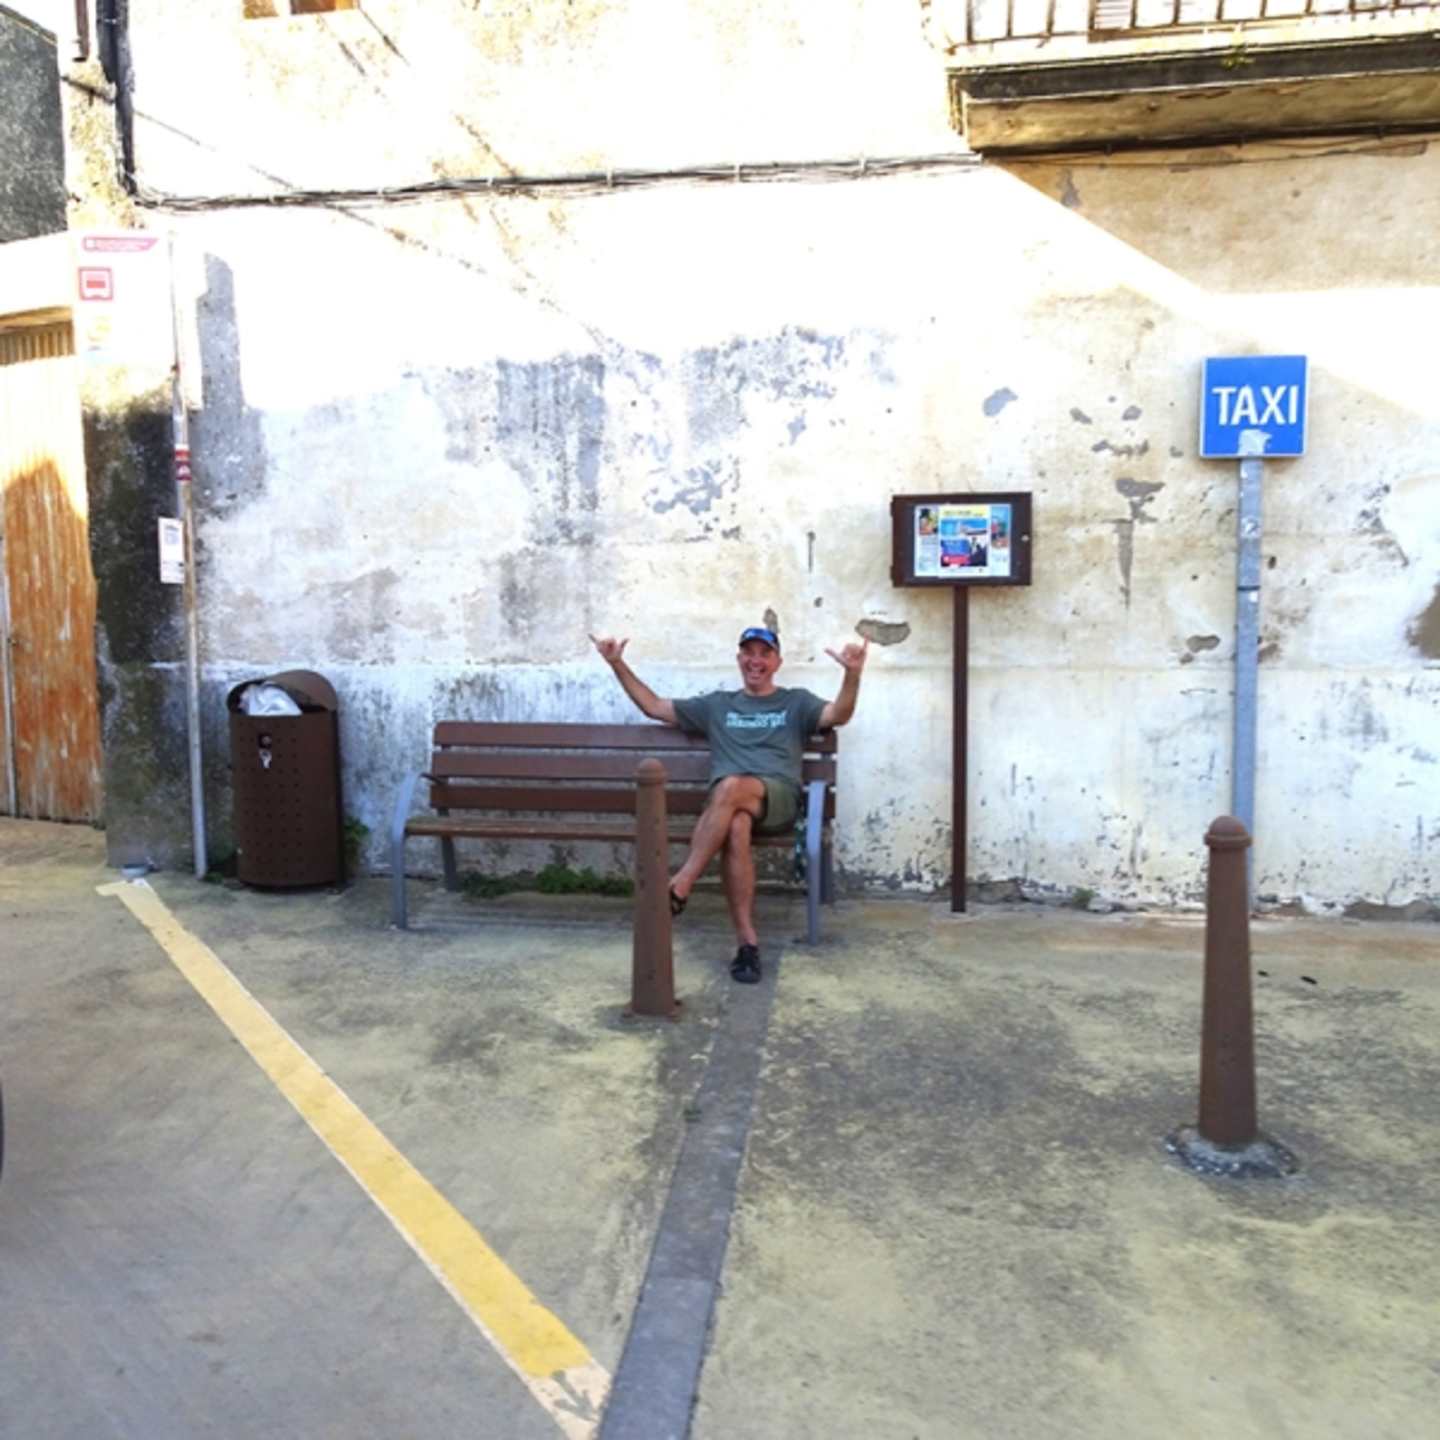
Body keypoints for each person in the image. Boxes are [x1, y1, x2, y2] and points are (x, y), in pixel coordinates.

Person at [590, 625, 868, 983]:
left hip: (778, 798)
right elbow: (654, 706)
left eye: (764, 654)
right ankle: (747, 946)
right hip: (729, 805)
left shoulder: (795, 702)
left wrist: (853, 675)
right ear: (739, 659)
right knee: (736, 824)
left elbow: (838, 715)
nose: (756, 661)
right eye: (748, 653)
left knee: (732, 786)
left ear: (777, 662)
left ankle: (681, 882)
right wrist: (616, 663)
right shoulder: (718, 705)